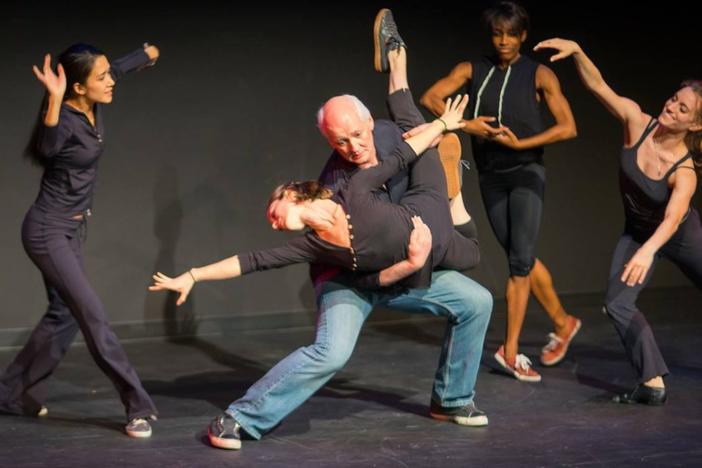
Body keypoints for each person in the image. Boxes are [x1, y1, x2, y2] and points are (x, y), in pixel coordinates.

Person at [151, 9, 492, 450]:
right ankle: (238, 418)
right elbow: (257, 259)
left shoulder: (390, 140)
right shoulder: (340, 189)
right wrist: (194, 274)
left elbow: (403, 104)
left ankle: (451, 399)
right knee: (332, 351)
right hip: (349, 279)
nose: (353, 147)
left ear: (368, 123)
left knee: (477, 301)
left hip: (401, 266)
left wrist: (399, 58)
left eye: (356, 134)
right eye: (340, 142)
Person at [0, 43, 160, 437]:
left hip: (72, 228)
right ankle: (137, 406)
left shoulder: (94, 97)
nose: (110, 82)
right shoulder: (64, 120)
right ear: (76, 88)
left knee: (64, 314)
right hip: (47, 230)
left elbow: (117, 69)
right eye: (100, 77)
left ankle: (10, 393)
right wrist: (53, 101)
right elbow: (46, 148)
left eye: (107, 73)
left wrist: (144, 55)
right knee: (92, 315)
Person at [534, 38, 702, 405]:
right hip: (639, 234)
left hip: (680, 235)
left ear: (695, 124)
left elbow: (673, 218)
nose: (672, 106)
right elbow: (598, 86)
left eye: (682, 107)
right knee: (617, 302)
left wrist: (648, 252)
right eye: (674, 98)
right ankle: (652, 381)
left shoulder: (684, 171)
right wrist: (579, 51)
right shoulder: (635, 120)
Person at [421, 1, 580, 382]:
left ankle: (510, 352)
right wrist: (466, 126)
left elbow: (567, 127)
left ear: (523, 36)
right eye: (497, 34)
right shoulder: (472, 69)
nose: (504, 41)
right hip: (491, 175)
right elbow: (431, 98)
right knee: (519, 256)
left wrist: (522, 146)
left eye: (511, 34)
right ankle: (563, 321)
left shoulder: (539, 74)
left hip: (526, 173)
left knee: (518, 263)